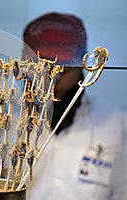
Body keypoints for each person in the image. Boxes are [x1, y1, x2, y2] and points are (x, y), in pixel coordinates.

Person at [22, 12, 127, 200]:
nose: (52, 78)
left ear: (84, 63)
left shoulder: (117, 124)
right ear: (23, 60)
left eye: (63, 69)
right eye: (42, 67)